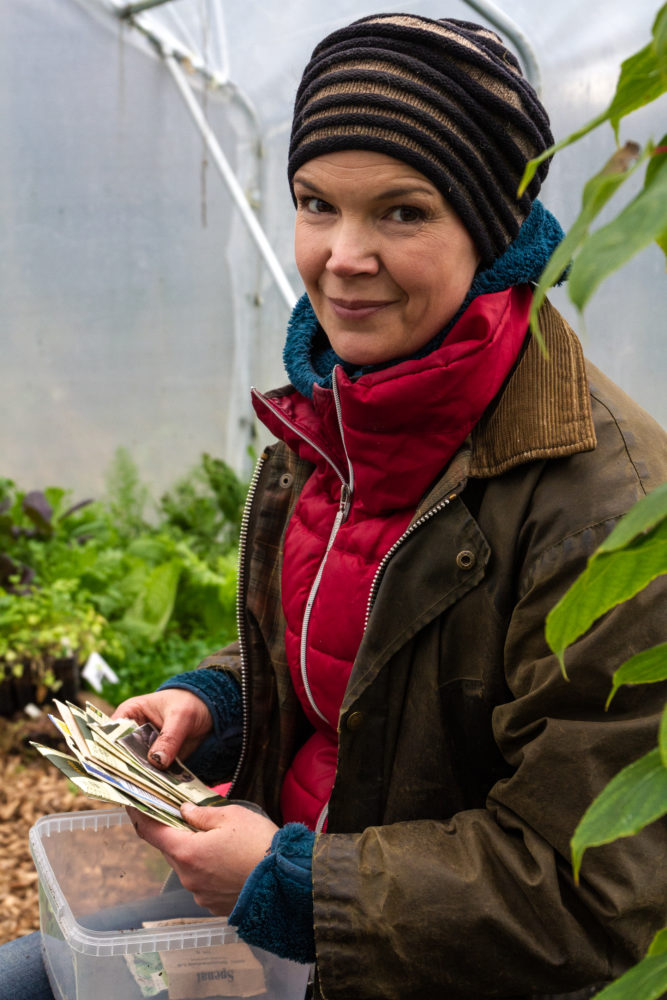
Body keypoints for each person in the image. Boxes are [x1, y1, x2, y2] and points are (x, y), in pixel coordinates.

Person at [2, 13, 666, 1000]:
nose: (342, 257)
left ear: (489, 228)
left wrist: (300, 886)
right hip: (292, 927)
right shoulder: (341, 403)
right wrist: (216, 701)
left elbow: (590, 895)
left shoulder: (606, 507)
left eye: (401, 212)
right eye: (317, 203)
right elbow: (358, 644)